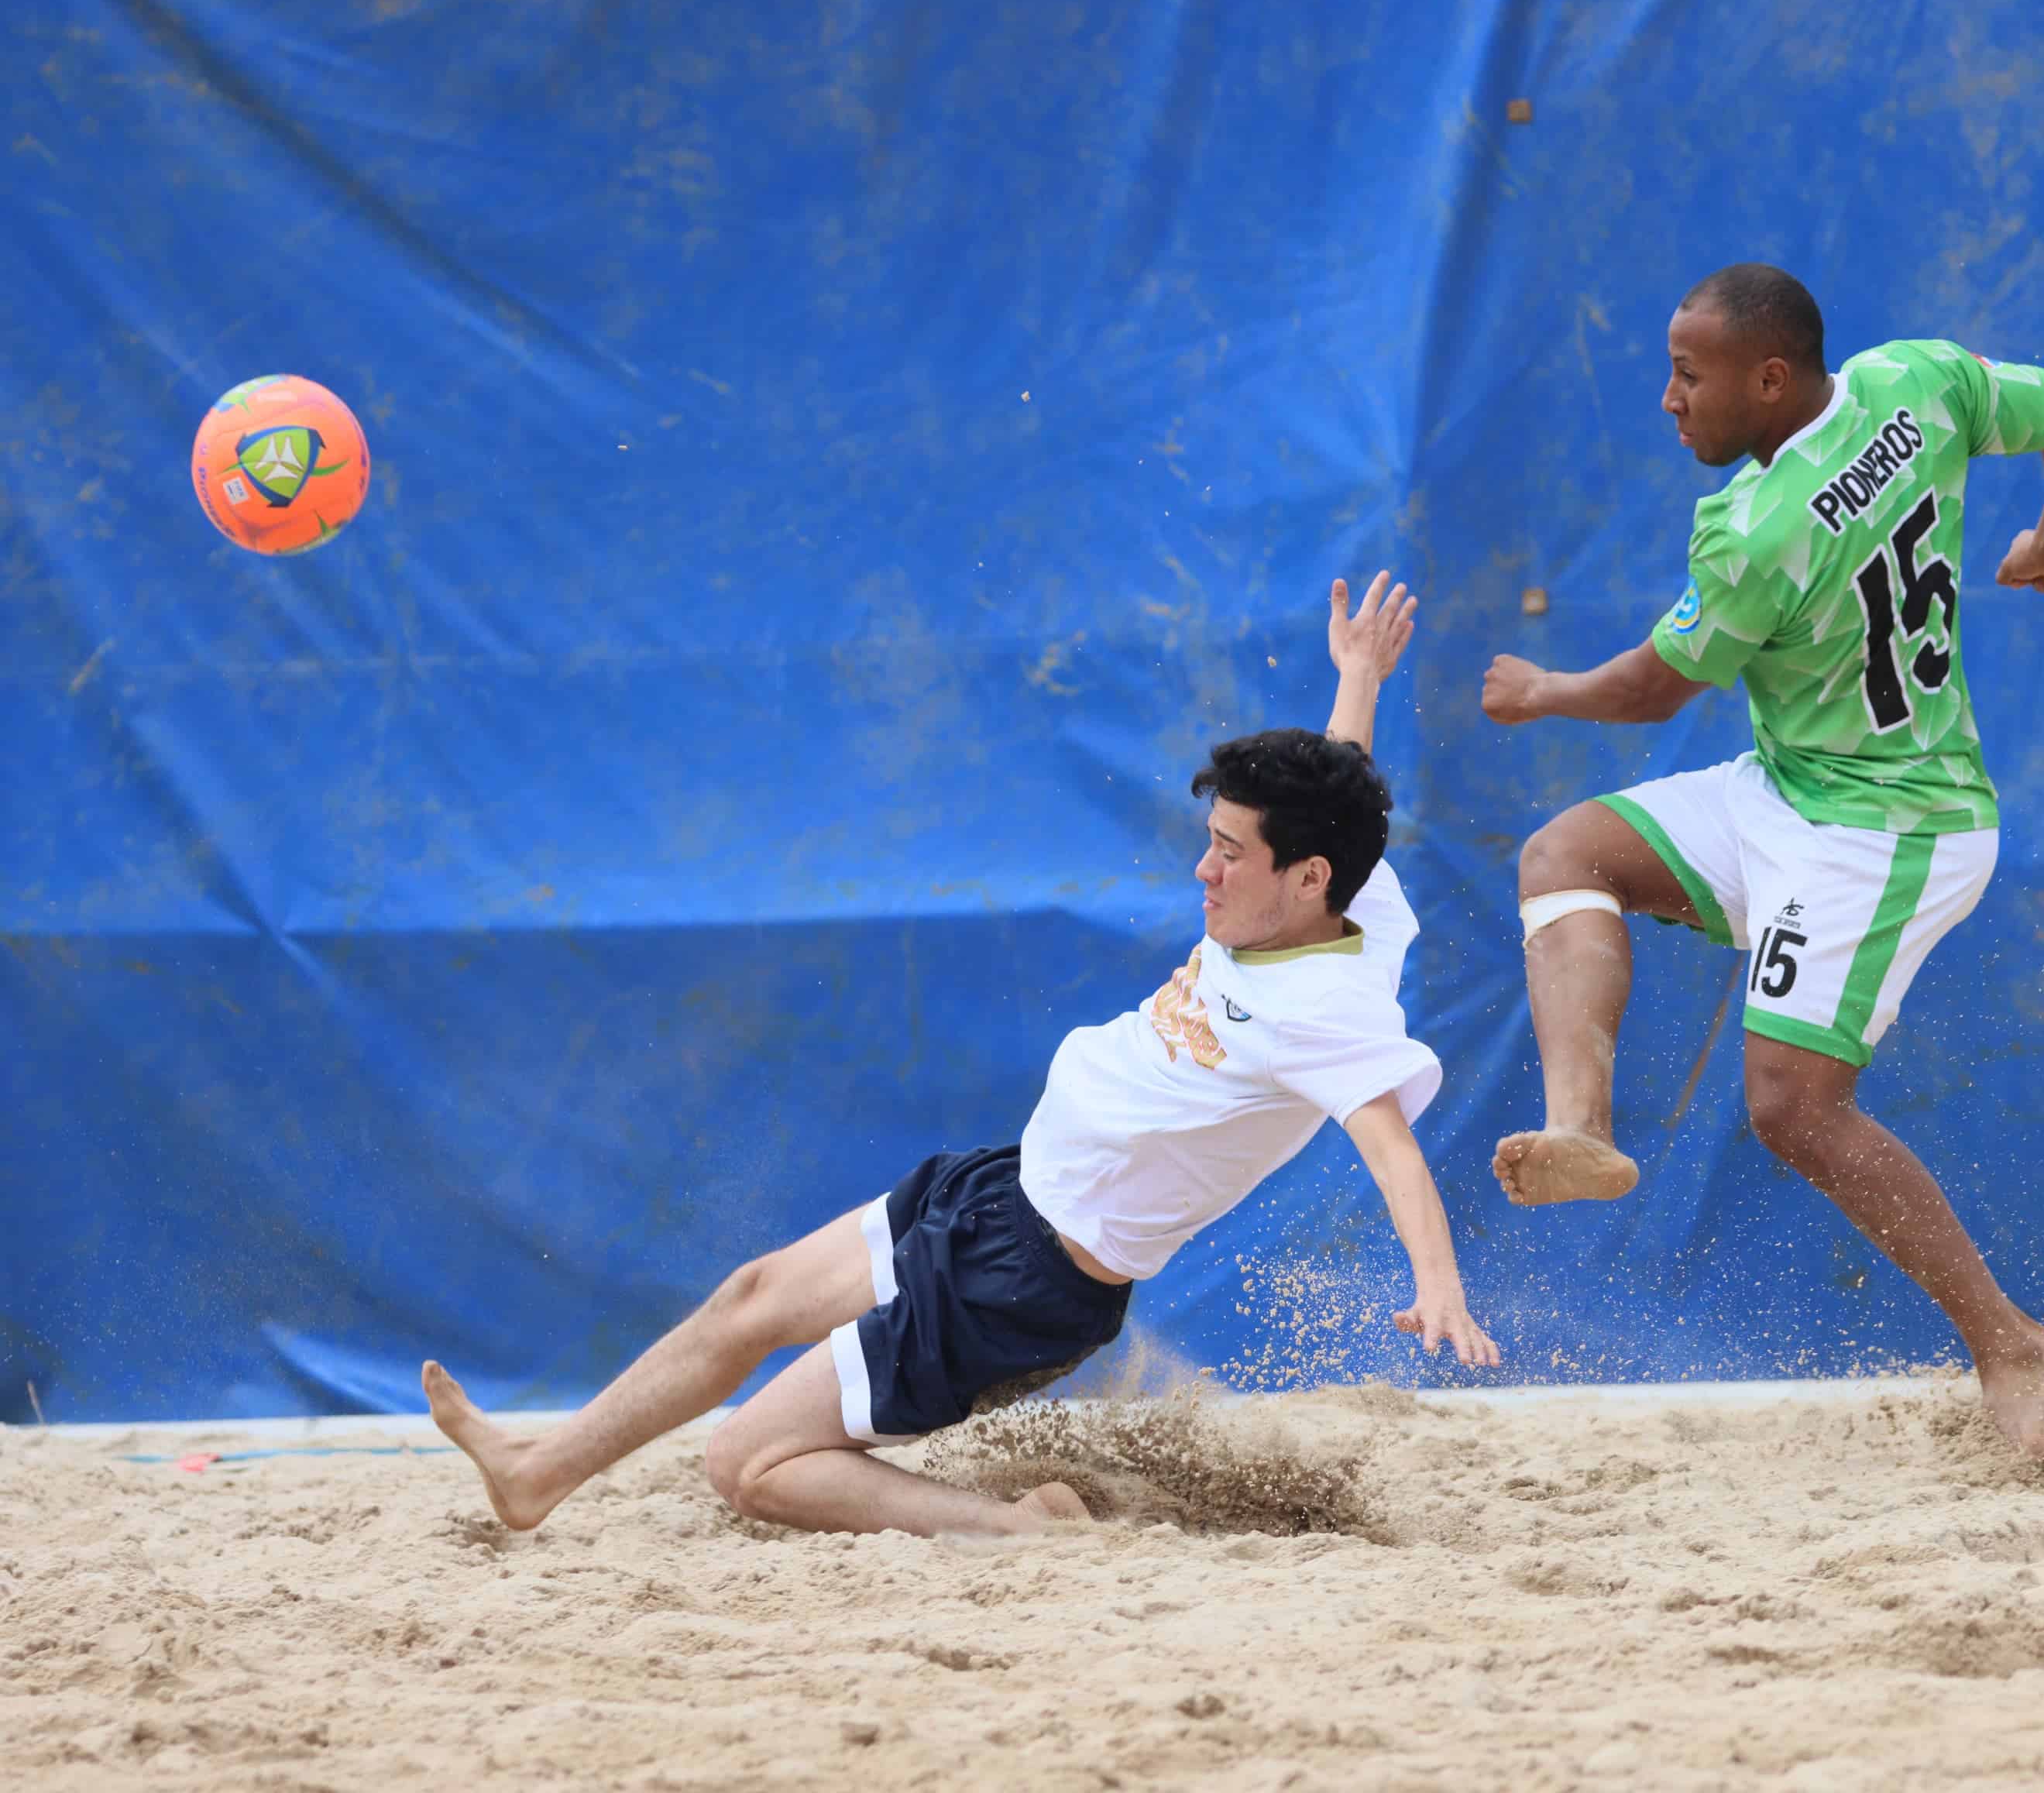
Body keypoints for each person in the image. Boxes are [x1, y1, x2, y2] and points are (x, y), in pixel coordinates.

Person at [427, 572, 1499, 1537]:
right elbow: (1344, 782)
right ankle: (539, 1473)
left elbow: (1392, 1148)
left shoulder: (1329, 1010)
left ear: (1308, 880)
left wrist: (1437, 1285)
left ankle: (1031, 1533)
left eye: (1228, 853)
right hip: (999, 1192)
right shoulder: (1357, 887)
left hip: (1023, 1283)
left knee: (749, 1466)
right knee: (749, 1298)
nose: (1203, 872)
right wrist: (1357, 675)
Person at [1479, 263, 2044, 1458]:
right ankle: (1588, 1131)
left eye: (1688, 374)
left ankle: (2015, 1346)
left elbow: (1653, 689)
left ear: (1769, 379)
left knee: (1790, 1109)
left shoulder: (1755, 530)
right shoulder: (1918, 381)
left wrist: (1542, 691)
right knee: (1569, 852)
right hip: (1789, 789)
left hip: (1892, 827)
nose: (1669, 400)